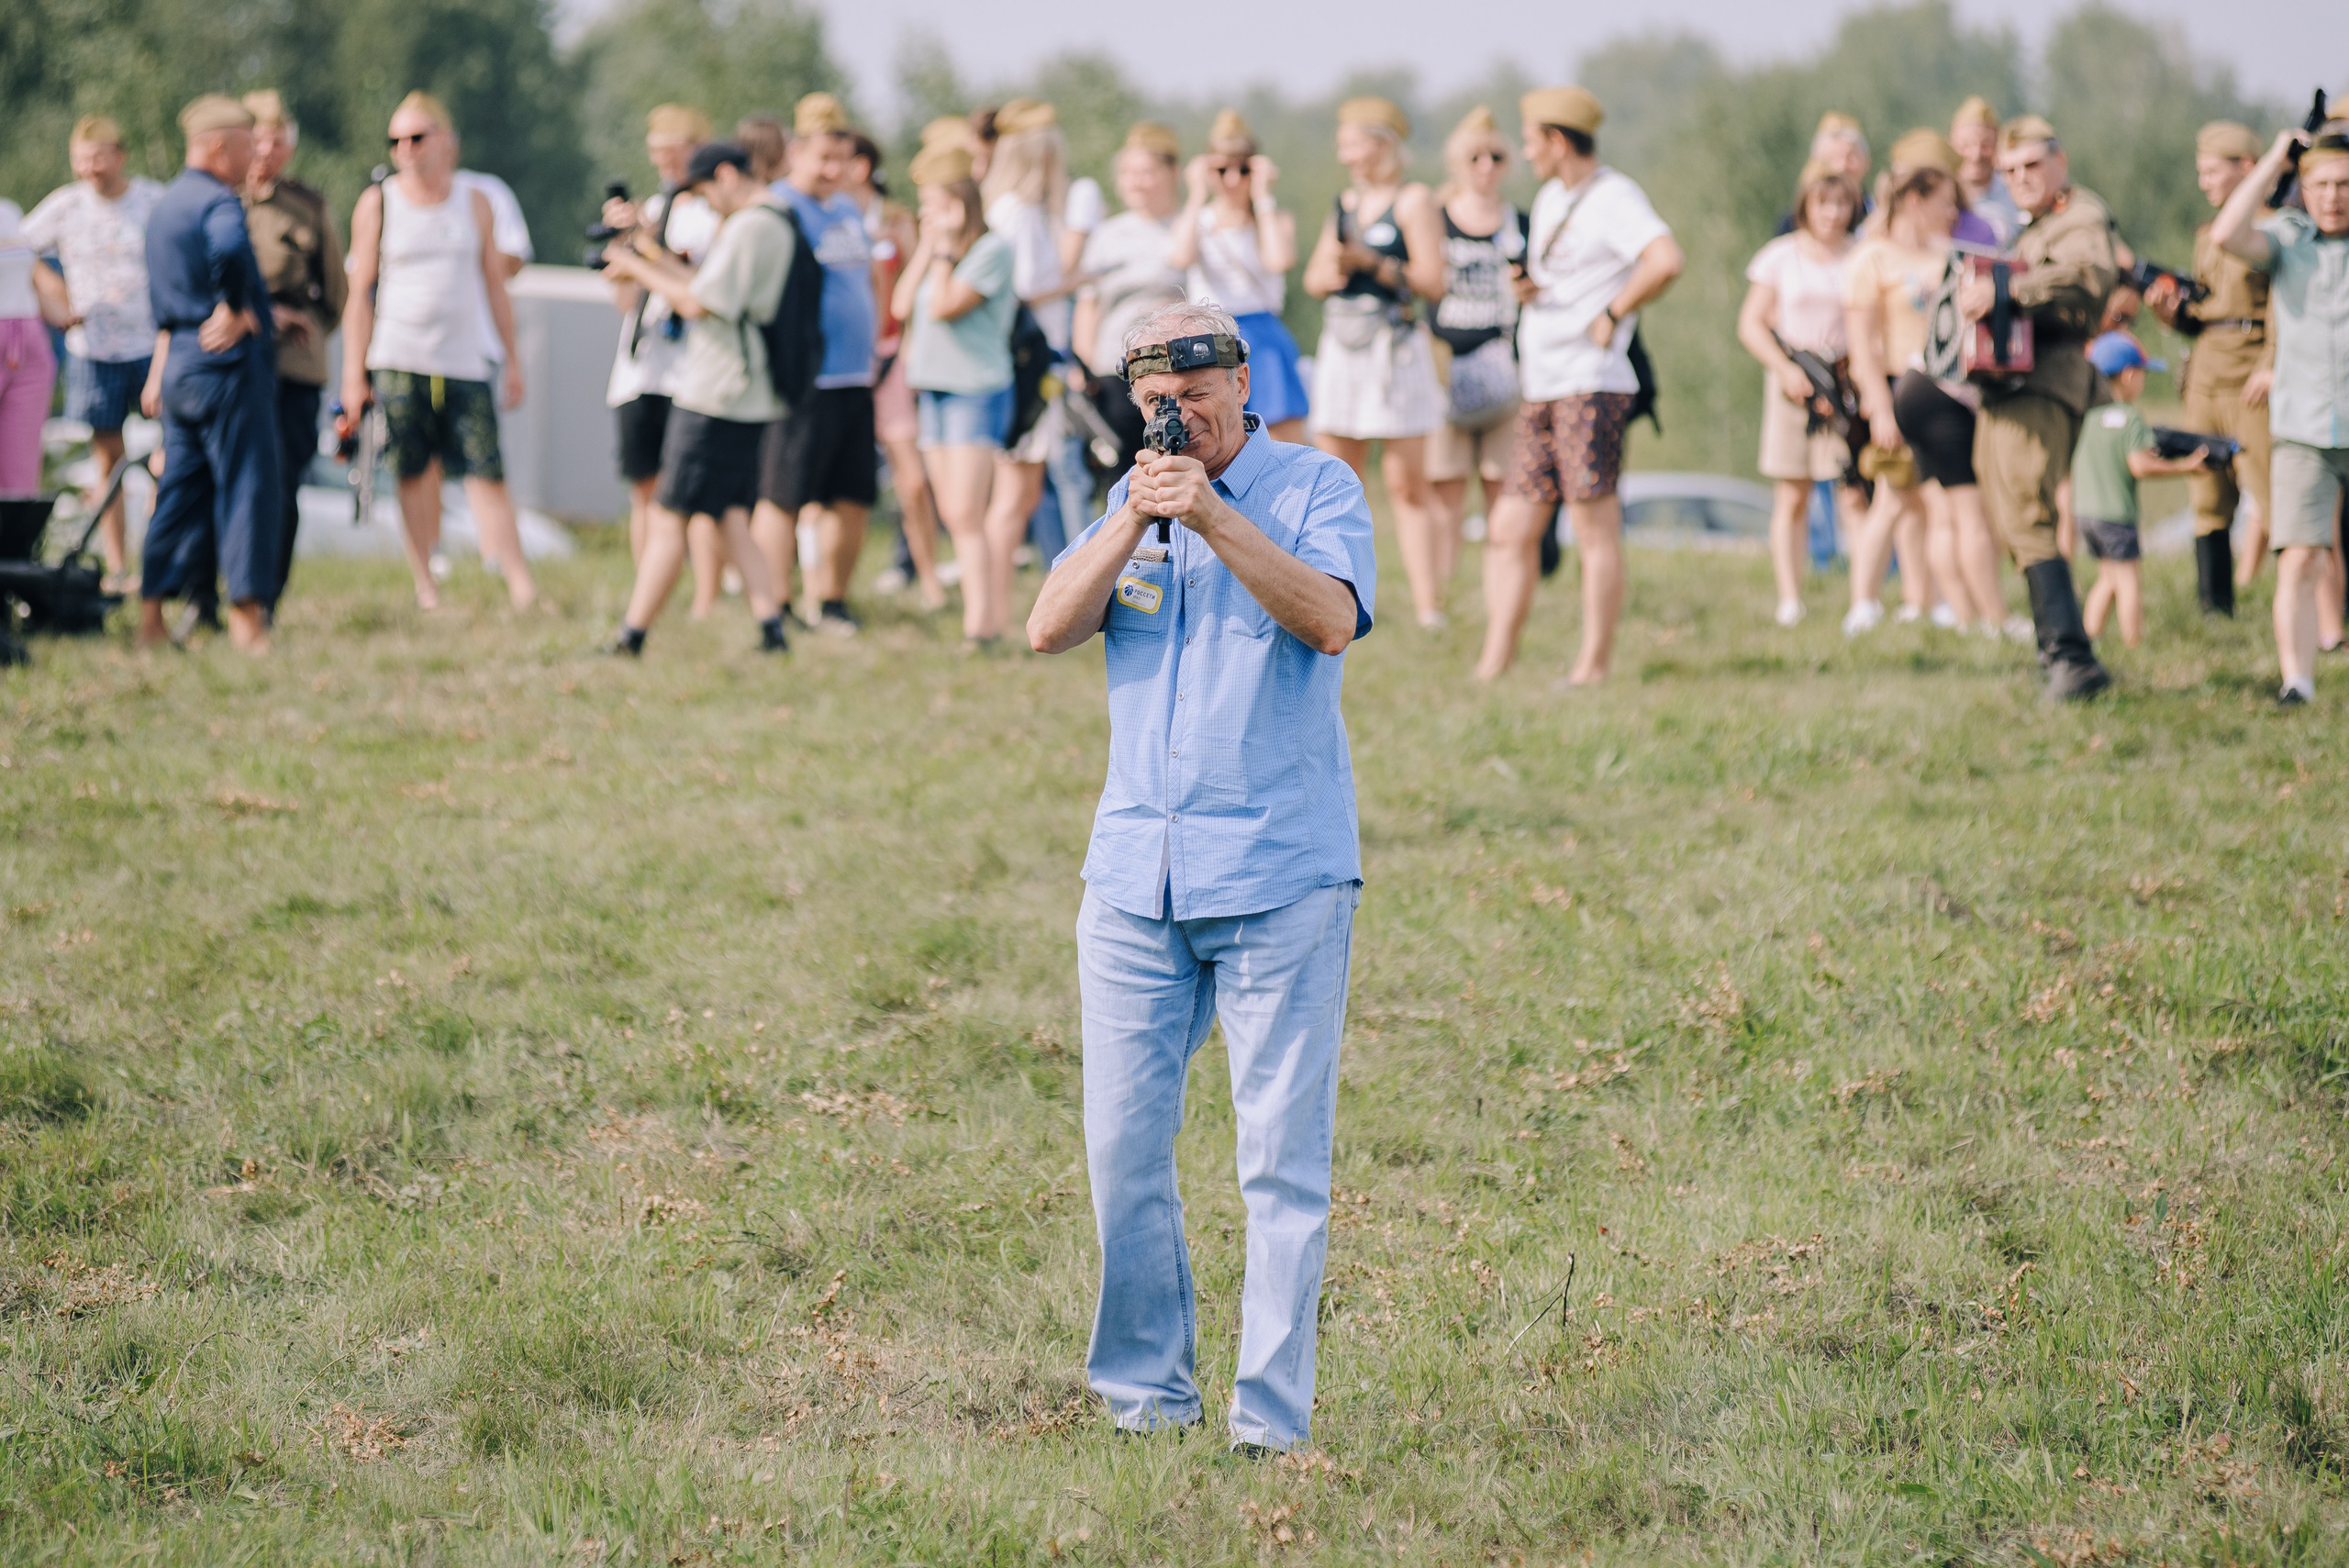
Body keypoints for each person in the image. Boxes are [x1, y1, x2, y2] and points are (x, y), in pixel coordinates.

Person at [1025, 299, 1375, 1457]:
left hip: (1278, 872)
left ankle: (1267, 1426)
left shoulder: (1316, 487)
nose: (1183, 417)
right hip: (1135, 878)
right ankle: (1145, 1398)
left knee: (1278, 1162)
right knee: (1123, 1154)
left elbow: (1328, 619)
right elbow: (1045, 627)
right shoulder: (1131, 499)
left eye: (1200, 394)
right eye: (1159, 402)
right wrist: (1133, 517)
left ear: (1240, 380)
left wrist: (1216, 516)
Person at [1475, 86, 1683, 684]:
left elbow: (1665, 258)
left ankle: (1593, 666)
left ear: (1558, 140)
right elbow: (1565, 275)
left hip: (1590, 384)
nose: (1525, 150)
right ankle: (1495, 663)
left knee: (1594, 526)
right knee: (1511, 527)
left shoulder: (1615, 196)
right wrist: (1532, 291)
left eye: (1532, 139)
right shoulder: (1548, 198)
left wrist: (1614, 313)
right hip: (1543, 384)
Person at [340, 92, 535, 613]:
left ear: (447, 141)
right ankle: (426, 583)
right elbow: (359, 295)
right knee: (412, 470)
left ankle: (521, 584)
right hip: (398, 357)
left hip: (464, 357)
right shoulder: (377, 202)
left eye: (418, 137)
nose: (406, 148)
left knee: (487, 470)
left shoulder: (475, 200)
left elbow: (496, 284)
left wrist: (512, 359)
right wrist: (352, 375)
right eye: (397, 140)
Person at [599, 142, 796, 657]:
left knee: (669, 516)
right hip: (746, 390)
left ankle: (631, 636)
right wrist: (652, 253)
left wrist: (630, 266)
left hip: (716, 391)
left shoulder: (752, 226)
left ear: (727, 175)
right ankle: (771, 628)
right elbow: (709, 288)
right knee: (729, 515)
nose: (709, 206)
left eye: (707, 193)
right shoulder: (775, 219)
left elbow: (697, 303)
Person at [1963, 115, 2119, 700]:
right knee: (2009, 517)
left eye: (2031, 165)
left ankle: (2073, 660)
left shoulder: (2080, 215)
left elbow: (2087, 278)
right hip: (2008, 387)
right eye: (2009, 171)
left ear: (2060, 163)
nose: (2021, 179)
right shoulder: (2030, 227)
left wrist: (2006, 290)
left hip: (2049, 379)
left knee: (2028, 511)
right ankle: (2054, 648)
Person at [1847, 131, 2009, 638]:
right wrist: (1880, 409)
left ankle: (1944, 606)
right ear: (1914, 200)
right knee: (1895, 501)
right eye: (1945, 203)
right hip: (1902, 387)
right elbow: (1863, 345)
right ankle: (1865, 603)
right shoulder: (1872, 258)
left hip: (1950, 386)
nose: (1953, 214)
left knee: (1932, 507)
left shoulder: (1951, 255)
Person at [134, 95, 279, 654]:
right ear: (219, 148)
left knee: (177, 493)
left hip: (180, 364)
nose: (253, 157)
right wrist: (237, 306)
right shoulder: (218, 202)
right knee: (246, 486)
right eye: (246, 146)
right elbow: (230, 249)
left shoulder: (165, 205)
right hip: (224, 364)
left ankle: (150, 617)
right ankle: (247, 619)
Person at [2212, 127, 2349, 706]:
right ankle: (2298, 681)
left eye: (2344, 184)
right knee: (2300, 557)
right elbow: (2226, 232)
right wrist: (2275, 158)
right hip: (2304, 429)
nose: (2333, 196)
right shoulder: (2289, 240)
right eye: (2320, 184)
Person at [1303, 96, 1450, 628]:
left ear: (1381, 143)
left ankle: (1428, 604)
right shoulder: (1343, 201)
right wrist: (1338, 270)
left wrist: (1376, 265)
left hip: (1394, 348)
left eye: (1352, 141)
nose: (1344, 153)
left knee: (1408, 483)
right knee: (1339, 478)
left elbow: (1434, 282)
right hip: (1345, 343)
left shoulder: (1414, 202)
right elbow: (1314, 277)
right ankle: (1339, 590)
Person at [22, 116, 166, 591]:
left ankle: (158, 563)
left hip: (151, 344)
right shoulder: (66, 205)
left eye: (100, 160)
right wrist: (52, 289)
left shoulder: (151, 200)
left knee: (166, 455)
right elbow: (18, 250)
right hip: (94, 350)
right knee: (108, 460)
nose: (91, 171)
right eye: (82, 162)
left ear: (120, 156)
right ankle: (118, 566)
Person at [758, 94, 879, 639]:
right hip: (806, 378)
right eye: (823, 159)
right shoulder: (777, 208)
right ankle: (775, 602)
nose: (834, 170)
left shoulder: (848, 208)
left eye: (843, 158)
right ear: (797, 152)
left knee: (849, 496)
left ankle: (831, 600)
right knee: (783, 495)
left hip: (856, 375)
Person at [2145, 121, 2277, 612]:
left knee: (2270, 490)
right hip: (2205, 375)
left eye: (2211, 171)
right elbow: (2202, 317)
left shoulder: (2276, 230)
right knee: (2206, 490)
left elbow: (2282, 311)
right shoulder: (2206, 238)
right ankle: (2214, 609)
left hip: (2250, 377)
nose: (2203, 183)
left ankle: (2306, 606)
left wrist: (2270, 363)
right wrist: (2168, 313)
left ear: (2247, 167)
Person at [895, 135, 1020, 646]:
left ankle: (983, 624)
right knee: (953, 512)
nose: (927, 215)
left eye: (933, 206)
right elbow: (903, 307)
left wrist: (943, 252)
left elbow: (946, 306)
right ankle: (983, 616)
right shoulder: (939, 252)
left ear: (957, 203)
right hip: (934, 389)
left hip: (975, 390)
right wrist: (927, 247)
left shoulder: (991, 251)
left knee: (968, 512)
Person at [602, 106, 722, 591]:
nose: (667, 165)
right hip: (642, 367)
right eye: (658, 155)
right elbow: (626, 300)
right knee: (644, 488)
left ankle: (706, 594)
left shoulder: (713, 217)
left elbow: (705, 290)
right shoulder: (650, 211)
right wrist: (625, 244)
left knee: (697, 494)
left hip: (692, 369)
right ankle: (648, 588)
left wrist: (650, 251)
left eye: (676, 153)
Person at [1739, 159, 1862, 627]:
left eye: (1841, 203)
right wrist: (1784, 368)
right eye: (1822, 203)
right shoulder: (1780, 255)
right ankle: (1790, 598)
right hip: (1793, 378)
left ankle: (1861, 599)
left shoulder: (1862, 254)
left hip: (1845, 380)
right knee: (1793, 493)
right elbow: (1751, 324)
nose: (1832, 213)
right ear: (1805, 206)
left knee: (1853, 491)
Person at [239, 90, 346, 612]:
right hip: (232, 357)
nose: (267, 150)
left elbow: (336, 293)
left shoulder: (306, 206)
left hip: (291, 365)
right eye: (258, 138)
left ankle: (267, 598)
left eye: (278, 141)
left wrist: (306, 324)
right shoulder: (222, 200)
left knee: (282, 484)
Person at [978, 100, 1087, 606]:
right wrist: (1075, 281)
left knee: (1021, 493)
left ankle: (998, 609)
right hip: (1027, 362)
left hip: (1037, 359)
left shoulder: (1021, 211)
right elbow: (1018, 290)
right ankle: (991, 612)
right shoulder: (1017, 214)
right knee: (1011, 495)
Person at [1425, 107, 1529, 594]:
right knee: (1445, 492)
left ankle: (1498, 591)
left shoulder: (1521, 224)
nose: (1486, 166)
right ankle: (1442, 601)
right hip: (1445, 371)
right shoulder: (1435, 221)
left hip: (1506, 375)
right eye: (1475, 157)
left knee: (1502, 490)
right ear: (1457, 163)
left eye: (1496, 156)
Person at [847, 132, 948, 612]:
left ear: (861, 166)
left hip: (889, 359)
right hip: (838, 363)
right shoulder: (821, 217)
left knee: (910, 479)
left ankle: (927, 577)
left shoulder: (893, 221)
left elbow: (916, 289)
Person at [1167, 110, 1307, 443]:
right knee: (1215, 438)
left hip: (1262, 332)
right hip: (1210, 334)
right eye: (1221, 169)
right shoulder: (1196, 220)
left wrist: (1262, 197)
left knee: (1283, 438)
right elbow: (1179, 257)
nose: (1233, 179)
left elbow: (1278, 260)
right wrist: (1198, 194)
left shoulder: (1273, 218)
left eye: (1243, 169)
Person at [2072, 331, 2209, 648]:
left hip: (2086, 514)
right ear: (2129, 374)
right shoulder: (2130, 418)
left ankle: (2089, 637)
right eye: (2143, 374)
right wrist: (2184, 467)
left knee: (2108, 579)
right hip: (2117, 516)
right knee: (2130, 582)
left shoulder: (2086, 416)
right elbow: (2140, 465)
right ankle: (2134, 645)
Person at [1075, 123, 1188, 470]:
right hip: (1113, 367)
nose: (1135, 181)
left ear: (1172, 173)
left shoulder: (1187, 227)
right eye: (1127, 173)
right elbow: (1088, 303)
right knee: (1121, 469)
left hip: (1173, 366)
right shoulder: (1107, 235)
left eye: (1146, 172)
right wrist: (1082, 366)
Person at [0, 202, 61, 497]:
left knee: (20, 478)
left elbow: (27, 278)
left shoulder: (9, 212)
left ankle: (15, 544)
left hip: (28, 342)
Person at [1950, 97, 2021, 250]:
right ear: (1952, 144)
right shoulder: (1940, 196)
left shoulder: (2016, 192)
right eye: (1966, 145)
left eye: (1985, 145)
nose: (1976, 155)